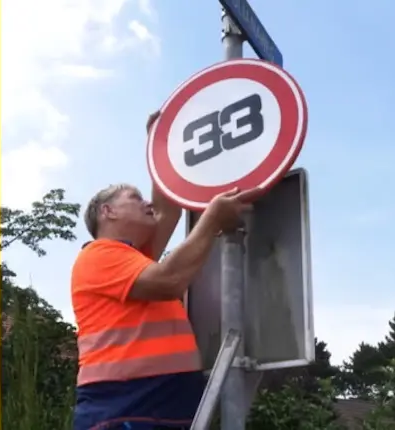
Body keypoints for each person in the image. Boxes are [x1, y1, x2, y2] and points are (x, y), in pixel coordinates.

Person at [71, 111, 262, 430]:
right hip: (125, 406)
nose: (147, 203)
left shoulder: (134, 258)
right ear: (108, 212)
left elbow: (167, 207)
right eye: (135, 198)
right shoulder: (100, 256)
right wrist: (212, 218)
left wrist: (160, 146)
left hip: (158, 405)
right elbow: (169, 281)